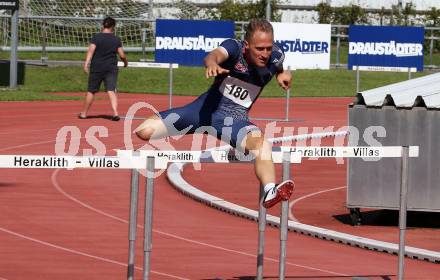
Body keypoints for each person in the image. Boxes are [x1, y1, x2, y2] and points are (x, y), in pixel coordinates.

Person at [135, 19, 294, 208]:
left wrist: (282, 74)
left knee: (262, 146)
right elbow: (214, 55)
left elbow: (279, 68)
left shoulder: (276, 56)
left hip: (234, 121)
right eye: (259, 49)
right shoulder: (234, 48)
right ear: (246, 45)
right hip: (202, 112)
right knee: (144, 131)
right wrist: (212, 64)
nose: (265, 54)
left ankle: (270, 191)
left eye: (268, 48)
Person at [79, 16, 128, 121]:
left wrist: (86, 64)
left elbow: (91, 51)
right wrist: (125, 63)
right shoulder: (116, 39)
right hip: (111, 68)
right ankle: (115, 113)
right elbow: (122, 55)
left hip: (97, 67)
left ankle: (83, 114)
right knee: (111, 90)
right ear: (112, 27)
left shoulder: (96, 37)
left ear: (103, 25)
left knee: (91, 91)